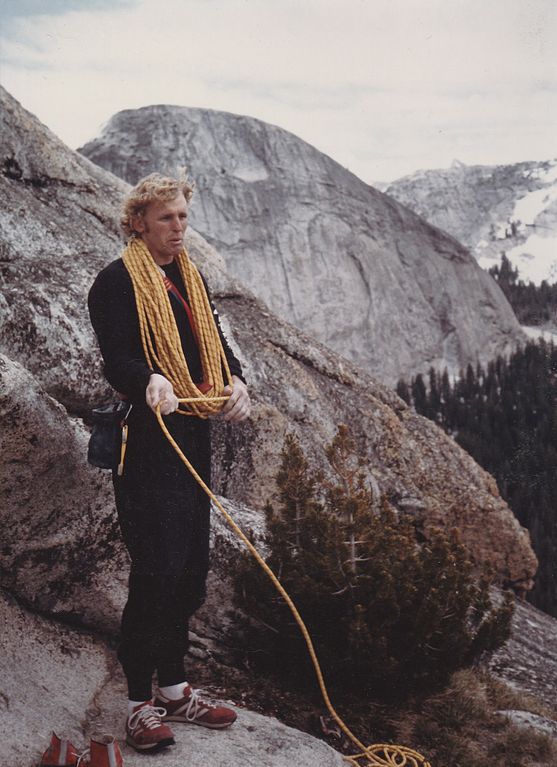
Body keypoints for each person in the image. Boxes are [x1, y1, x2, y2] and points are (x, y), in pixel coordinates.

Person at [88, 173, 250, 754]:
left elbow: (219, 348)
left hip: (191, 433)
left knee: (188, 570)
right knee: (155, 568)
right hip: (148, 439)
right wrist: (147, 380)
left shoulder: (188, 277)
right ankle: (138, 702)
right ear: (138, 222)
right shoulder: (115, 282)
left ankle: (177, 689)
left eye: (183, 217)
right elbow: (119, 357)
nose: (179, 228)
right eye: (166, 218)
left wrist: (235, 383)